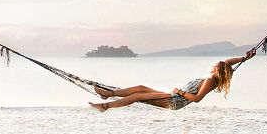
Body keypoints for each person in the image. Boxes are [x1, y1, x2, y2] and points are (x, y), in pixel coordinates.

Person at [88, 49, 256, 111]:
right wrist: (244, 58)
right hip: (172, 96)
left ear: (217, 71)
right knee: (140, 87)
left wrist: (180, 92)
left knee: (138, 96)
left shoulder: (211, 80)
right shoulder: (215, 76)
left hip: (175, 100)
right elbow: (227, 63)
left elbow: (197, 99)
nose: (213, 65)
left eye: (215, 65)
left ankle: (105, 106)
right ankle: (108, 94)